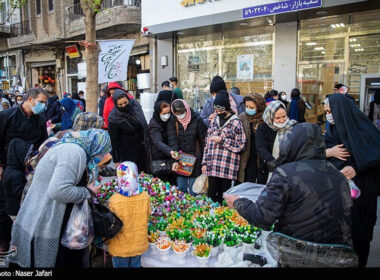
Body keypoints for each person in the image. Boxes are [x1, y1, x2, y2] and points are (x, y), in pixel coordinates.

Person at [224, 123, 353, 249]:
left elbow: (262, 217)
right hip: (337, 253)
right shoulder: (338, 174)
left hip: (298, 251)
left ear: (292, 144)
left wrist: (237, 202)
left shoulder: (285, 173)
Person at [7, 129, 111, 268]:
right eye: (103, 151)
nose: (103, 155)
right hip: (46, 220)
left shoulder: (72, 146)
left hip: (44, 214)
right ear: (97, 145)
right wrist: (88, 191)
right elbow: (58, 191)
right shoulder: (74, 153)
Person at [323, 94, 380, 267]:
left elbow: (375, 156)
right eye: (325, 112)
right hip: (338, 192)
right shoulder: (332, 129)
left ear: (340, 110)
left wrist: (356, 168)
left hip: (363, 193)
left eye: (329, 111)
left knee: (359, 235)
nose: (327, 116)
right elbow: (318, 152)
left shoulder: (365, 129)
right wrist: (329, 152)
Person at [0, 87, 48, 252]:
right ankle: (3, 243)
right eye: (40, 102)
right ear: (30, 99)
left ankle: (23, 243)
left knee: (27, 206)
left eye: (44, 103)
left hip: (31, 169)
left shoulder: (40, 120)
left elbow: (43, 145)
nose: (43, 106)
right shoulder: (7, 116)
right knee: (5, 206)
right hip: (8, 167)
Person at [202, 90, 246, 204]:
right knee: (210, 198)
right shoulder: (214, 120)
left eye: (220, 109)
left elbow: (240, 145)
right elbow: (207, 142)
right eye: (215, 109)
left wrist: (222, 140)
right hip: (213, 166)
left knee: (224, 199)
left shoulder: (236, 122)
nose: (217, 112)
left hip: (227, 168)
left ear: (226, 108)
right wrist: (204, 162)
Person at [108, 161, 151, 268]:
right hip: (138, 244)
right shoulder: (145, 196)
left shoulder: (114, 200)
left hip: (120, 247)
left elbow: (111, 223)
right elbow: (148, 214)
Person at [168, 99, 207, 195]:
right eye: (177, 113)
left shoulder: (197, 120)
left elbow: (204, 142)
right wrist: (175, 160)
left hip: (196, 160)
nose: (180, 115)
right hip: (180, 160)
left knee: (194, 190)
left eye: (182, 112)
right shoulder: (173, 121)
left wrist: (204, 162)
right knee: (181, 189)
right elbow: (173, 141)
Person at [256, 101, 297, 182]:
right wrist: (274, 163)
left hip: (289, 169)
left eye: (284, 116)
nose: (282, 120)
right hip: (268, 168)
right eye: (277, 118)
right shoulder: (263, 128)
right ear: (270, 117)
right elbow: (261, 147)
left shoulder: (293, 127)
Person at [108, 89, 148, 173]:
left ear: (128, 100)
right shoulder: (114, 118)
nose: (123, 106)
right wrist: (116, 160)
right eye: (120, 104)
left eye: (125, 103)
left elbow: (143, 123)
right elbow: (114, 141)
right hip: (128, 153)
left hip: (144, 149)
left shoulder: (135, 105)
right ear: (116, 104)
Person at [238, 93, 267, 184]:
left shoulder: (266, 118)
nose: (248, 109)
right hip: (246, 158)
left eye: (251, 107)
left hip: (261, 158)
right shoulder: (242, 117)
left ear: (259, 107)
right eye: (246, 106)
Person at [148, 101, 178, 186]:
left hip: (170, 158)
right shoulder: (154, 124)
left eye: (168, 112)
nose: (167, 115)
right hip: (159, 157)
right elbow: (158, 142)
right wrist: (170, 151)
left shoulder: (170, 121)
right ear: (158, 113)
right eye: (164, 113)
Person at [3, 139, 33, 218]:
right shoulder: (16, 174)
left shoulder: (9, 169)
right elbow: (19, 192)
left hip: (11, 207)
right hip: (16, 210)